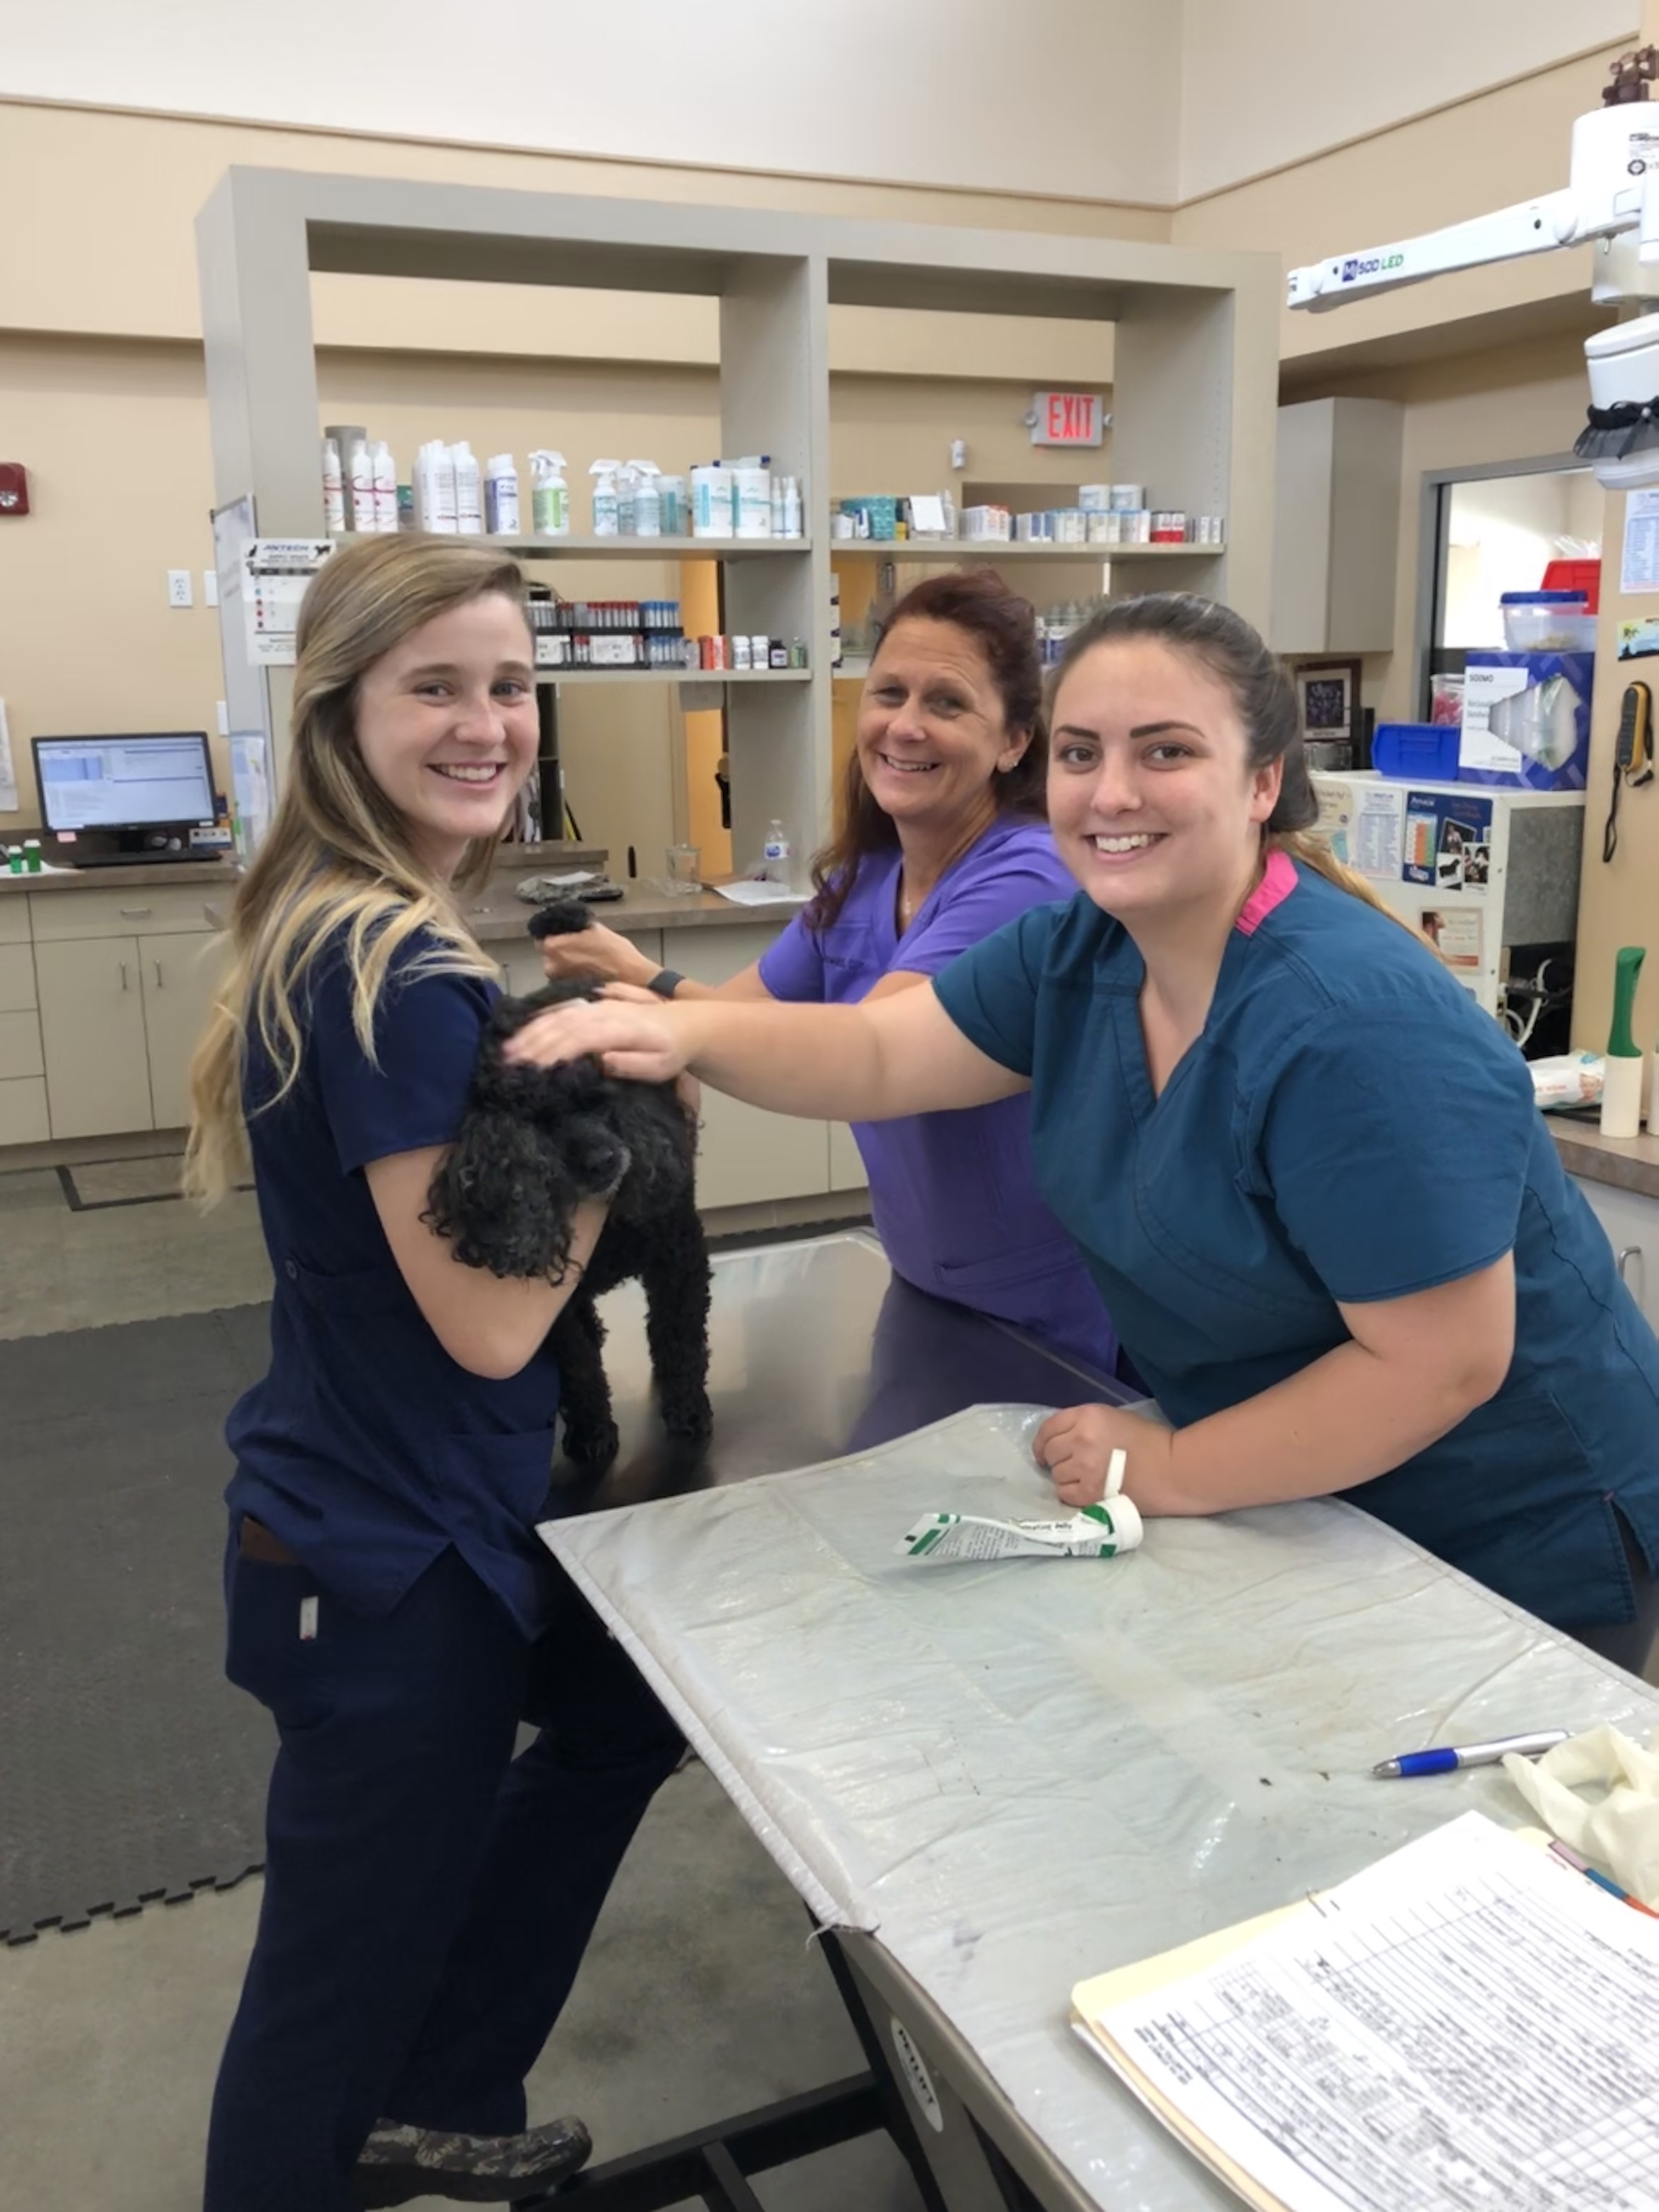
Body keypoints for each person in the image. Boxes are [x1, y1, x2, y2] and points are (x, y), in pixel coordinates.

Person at [503, 591, 1659, 1667]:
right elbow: (879, 1052)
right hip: (1296, 1496)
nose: (1111, 795)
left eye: (1166, 751)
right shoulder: (1082, 954)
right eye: (1080, 754)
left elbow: (1442, 1362)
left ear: (1264, 782)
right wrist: (681, 1032)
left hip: (1506, 1528)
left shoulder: (1353, 1026)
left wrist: (1174, 1465)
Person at [185, 536, 682, 2212]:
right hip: (383, 1562)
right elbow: (490, 1318)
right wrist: (632, 1104)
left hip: (421, 1517)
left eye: (512, 687)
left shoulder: (367, 927)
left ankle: (449, 2082)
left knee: (622, 1713)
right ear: (342, 709)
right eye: (438, 690)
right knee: (317, 2012)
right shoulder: (391, 972)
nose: (488, 726)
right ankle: (368, 2117)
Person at [539, 569, 1118, 1375]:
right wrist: (642, 980)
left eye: (947, 704)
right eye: (889, 694)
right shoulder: (865, 882)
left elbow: (867, 1054)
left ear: (1016, 740)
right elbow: (739, 1020)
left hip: (1046, 1313)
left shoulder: (1027, 877)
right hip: (925, 1285)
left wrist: (656, 1009)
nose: (905, 726)